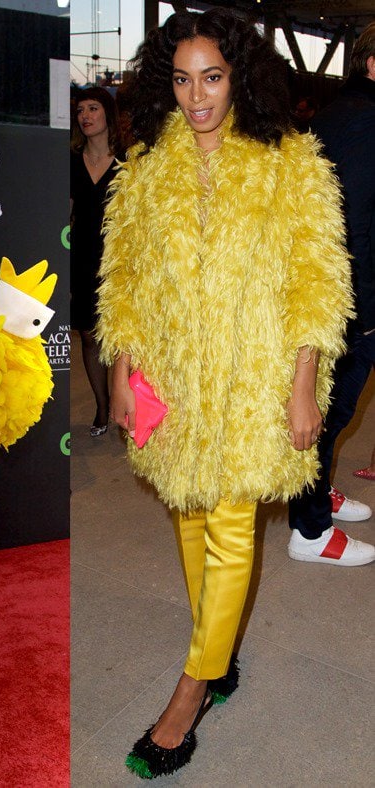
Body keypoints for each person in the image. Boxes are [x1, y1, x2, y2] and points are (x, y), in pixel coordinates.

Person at [96, 9, 353, 780]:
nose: (196, 95)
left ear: (238, 76)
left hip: (256, 379)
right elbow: (125, 286)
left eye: (211, 76)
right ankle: (219, 659)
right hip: (170, 377)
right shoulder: (144, 169)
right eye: (181, 78)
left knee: (233, 527)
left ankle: (192, 687)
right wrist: (118, 376)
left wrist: (304, 383)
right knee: (188, 513)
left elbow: (319, 280)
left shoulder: (291, 161)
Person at [287, 21, 375, 566]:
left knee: (327, 414)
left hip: (337, 293)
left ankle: (315, 497)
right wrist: (363, 313)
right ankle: (310, 531)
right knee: (327, 415)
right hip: (349, 300)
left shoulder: (342, 112)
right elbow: (356, 227)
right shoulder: (364, 121)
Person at [70, 87, 121, 436]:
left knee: (120, 338)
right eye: (80, 110)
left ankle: (122, 404)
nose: (85, 116)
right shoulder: (70, 160)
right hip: (82, 256)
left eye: (93, 108)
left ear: (108, 115)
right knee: (89, 336)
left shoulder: (128, 161)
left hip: (118, 259)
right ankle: (102, 407)